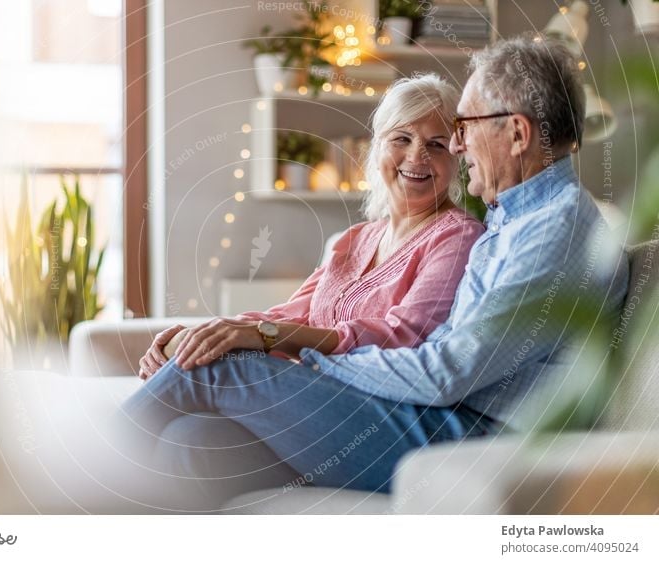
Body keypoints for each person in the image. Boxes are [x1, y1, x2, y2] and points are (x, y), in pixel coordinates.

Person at [119, 35, 629, 512]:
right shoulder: (513, 219)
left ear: (517, 133)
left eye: (464, 127)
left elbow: (444, 371)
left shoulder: (550, 231)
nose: (456, 146)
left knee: (222, 368)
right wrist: (246, 339)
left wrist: (308, 360)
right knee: (195, 445)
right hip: (439, 417)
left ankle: (60, 472)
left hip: (471, 438)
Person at [138, 73, 484, 380]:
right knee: (189, 399)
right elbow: (287, 317)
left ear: (457, 159)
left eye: (436, 144)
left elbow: (402, 336)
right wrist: (207, 331)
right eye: (401, 138)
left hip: (364, 401)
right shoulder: (356, 238)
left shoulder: (457, 236)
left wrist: (260, 334)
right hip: (310, 385)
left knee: (199, 370)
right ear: (377, 149)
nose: (416, 156)